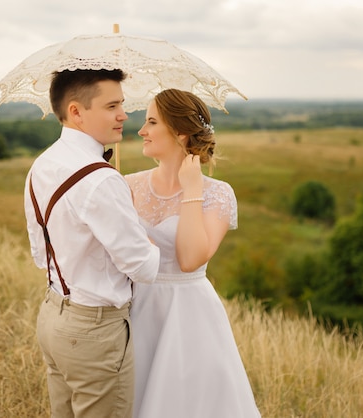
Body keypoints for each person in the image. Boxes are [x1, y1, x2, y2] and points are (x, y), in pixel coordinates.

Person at [23, 68, 160, 418]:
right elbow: (143, 267)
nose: (123, 115)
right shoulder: (101, 180)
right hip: (96, 330)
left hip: (54, 315)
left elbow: (41, 254)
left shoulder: (43, 163)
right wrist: (146, 236)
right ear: (76, 111)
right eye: (112, 105)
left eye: (122, 104)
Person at [125, 88, 261, 418]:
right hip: (134, 309)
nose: (141, 131)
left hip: (188, 316)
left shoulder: (218, 194)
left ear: (180, 133)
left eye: (151, 122)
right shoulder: (126, 184)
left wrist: (192, 190)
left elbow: (190, 260)